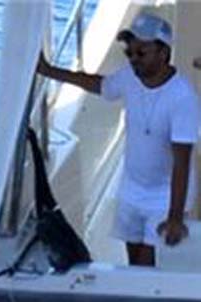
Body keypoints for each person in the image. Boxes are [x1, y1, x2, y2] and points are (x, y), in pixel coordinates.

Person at [36, 11, 200, 267]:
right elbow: (97, 85)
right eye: (130, 53)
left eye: (142, 53)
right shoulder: (129, 78)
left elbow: (182, 161)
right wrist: (50, 71)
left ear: (163, 52)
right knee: (134, 263)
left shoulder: (182, 98)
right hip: (132, 190)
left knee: (147, 267)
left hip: (164, 197)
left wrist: (175, 217)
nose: (134, 60)